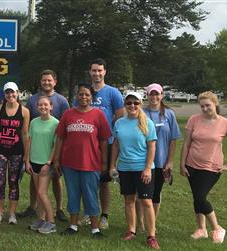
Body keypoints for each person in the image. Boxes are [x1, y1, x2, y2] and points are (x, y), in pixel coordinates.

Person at [54, 84, 111, 237]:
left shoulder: (98, 115)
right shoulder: (68, 114)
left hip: (91, 163)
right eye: (80, 94)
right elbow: (60, 137)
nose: (83, 97)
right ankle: (72, 225)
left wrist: (105, 162)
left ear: (91, 97)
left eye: (86, 94)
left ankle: (95, 228)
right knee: (73, 194)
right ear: (76, 96)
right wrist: (57, 159)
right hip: (69, 163)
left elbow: (104, 140)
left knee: (90, 195)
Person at [75, 58, 125, 229]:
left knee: (103, 181)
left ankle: (104, 215)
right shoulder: (83, 93)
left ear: (105, 72)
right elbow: (76, 114)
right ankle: (88, 213)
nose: (97, 73)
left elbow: (120, 118)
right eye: (94, 70)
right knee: (86, 180)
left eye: (100, 70)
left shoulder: (113, 93)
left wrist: (115, 141)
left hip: (107, 143)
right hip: (86, 144)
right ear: (90, 72)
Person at [109, 92, 159, 249]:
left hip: (143, 169)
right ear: (125, 104)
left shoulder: (147, 123)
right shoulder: (119, 123)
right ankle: (131, 230)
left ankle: (151, 236)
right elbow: (116, 145)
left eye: (135, 103)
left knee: (146, 201)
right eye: (129, 102)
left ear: (140, 104)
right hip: (125, 168)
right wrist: (112, 165)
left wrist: (147, 169)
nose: (132, 106)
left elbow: (152, 146)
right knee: (129, 200)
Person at [20, 69, 70, 221]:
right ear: (40, 82)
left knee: (56, 178)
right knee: (34, 180)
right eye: (44, 80)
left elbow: (65, 125)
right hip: (37, 149)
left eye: (49, 80)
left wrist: (58, 155)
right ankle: (32, 207)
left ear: (55, 82)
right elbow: (27, 126)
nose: (46, 83)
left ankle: (59, 209)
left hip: (54, 148)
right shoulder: (32, 100)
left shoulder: (62, 101)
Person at [180, 91, 227, 244]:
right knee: (196, 197)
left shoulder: (225, 123)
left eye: (208, 105)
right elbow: (187, 143)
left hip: (212, 168)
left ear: (215, 104)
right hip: (191, 165)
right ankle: (201, 229)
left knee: (201, 197)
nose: (205, 109)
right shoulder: (194, 119)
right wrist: (182, 164)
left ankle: (217, 228)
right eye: (202, 106)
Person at [136, 83, 181, 232]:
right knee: (141, 194)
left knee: (156, 193)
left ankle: (152, 223)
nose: (154, 97)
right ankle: (140, 223)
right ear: (147, 96)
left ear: (162, 95)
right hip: (143, 161)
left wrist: (170, 161)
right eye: (151, 94)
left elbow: (173, 139)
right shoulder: (141, 112)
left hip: (161, 161)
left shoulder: (169, 114)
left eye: (157, 94)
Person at [0, 82, 30, 225]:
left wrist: (26, 155)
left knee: (14, 182)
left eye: (13, 92)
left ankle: (12, 214)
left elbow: (25, 134)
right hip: (0, 150)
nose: (10, 95)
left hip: (17, 152)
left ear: (17, 93)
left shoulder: (24, 111)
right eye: (7, 92)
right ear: (4, 94)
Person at [24, 96, 59, 234]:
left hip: (46, 164)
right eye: (40, 105)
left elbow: (55, 146)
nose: (43, 107)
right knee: (39, 195)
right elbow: (29, 141)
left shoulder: (56, 123)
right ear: (37, 107)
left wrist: (48, 162)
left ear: (51, 107)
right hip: (34, 162)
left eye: (46, 105)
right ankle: (41, 219)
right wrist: (27, 161)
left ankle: (51, 222)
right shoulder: (34, 122)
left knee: (41, 192)